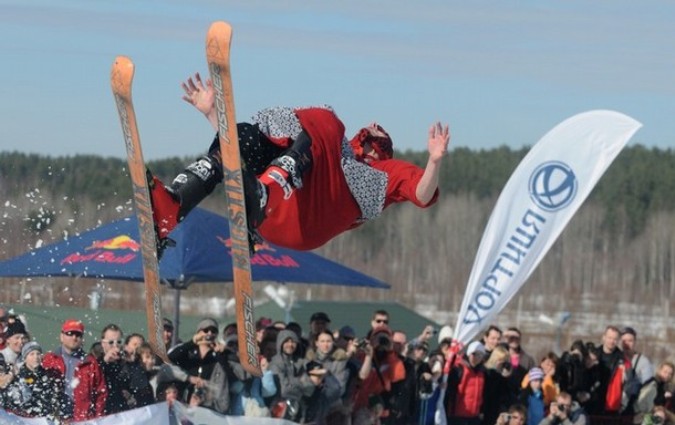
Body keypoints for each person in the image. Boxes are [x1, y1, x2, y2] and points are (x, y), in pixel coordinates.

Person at [149, 73, 450, 253]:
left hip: (313, 219)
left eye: (372, 146)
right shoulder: (325, 150)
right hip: (276, 212)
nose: (365, 150)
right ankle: (175, 205)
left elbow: (422, 194)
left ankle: (266, 191)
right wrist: (213, 113)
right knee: (247, 138)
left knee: (325, 121)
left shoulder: (382, 174)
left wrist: (434, 161)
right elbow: (237, 157)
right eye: (364, 142)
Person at [3, 341, 65, 420]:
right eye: (31, 354)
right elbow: (14, 403)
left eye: (38, 354)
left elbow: (53, 400)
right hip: (23, 420)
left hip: (44, 419)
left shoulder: (47, 377)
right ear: (25, 358)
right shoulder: (18, 377)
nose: (36, 357)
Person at [42, 318, 87, 419]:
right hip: (54, 417)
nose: (74, 338)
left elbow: (100, 395)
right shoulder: (49, 359)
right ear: (62, 336)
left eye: (78, 335)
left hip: (81, 419)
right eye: (70, 333)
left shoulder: (90, 363)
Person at [444, 340, 487, 425]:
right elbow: (451, 391)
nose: (477, 358)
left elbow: (482, 394)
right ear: (469, 354)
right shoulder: (459, 368)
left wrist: (481, 411)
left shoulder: (482, 372)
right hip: (458, 415)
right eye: (475, 354)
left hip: (474, 416)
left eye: (480, 355)